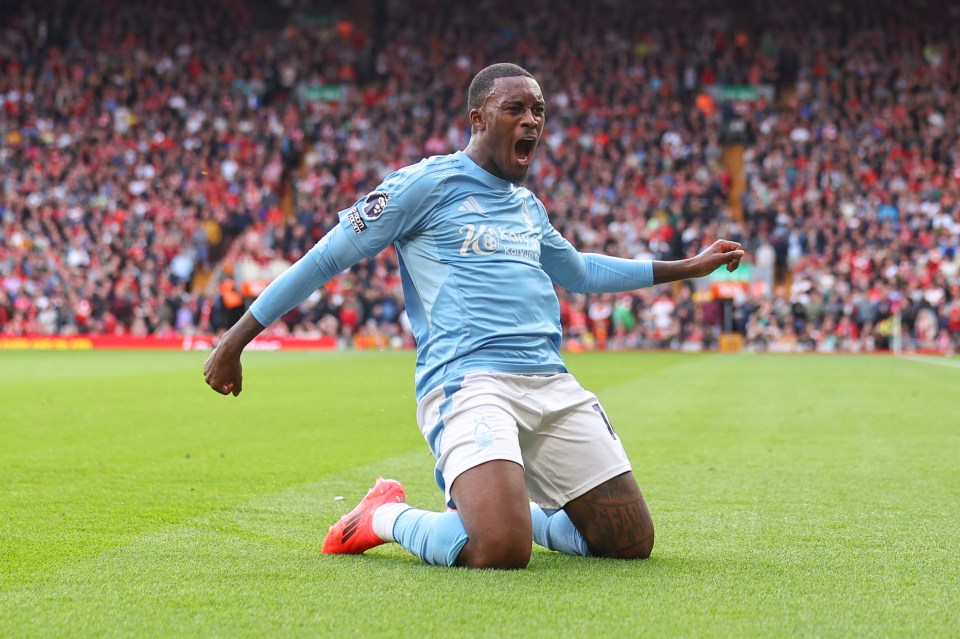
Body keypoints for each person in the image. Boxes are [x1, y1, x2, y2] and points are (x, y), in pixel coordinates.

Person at [203, 63, 744, 569]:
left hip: (549, 380)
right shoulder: (423, 185)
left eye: (538, 110)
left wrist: (689, 267)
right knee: (498, 549)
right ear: (478, 119)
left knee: (628, 543)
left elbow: (579, 271)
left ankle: (509, 511)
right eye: (516, 109)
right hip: (468, 381)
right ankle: (382, 516)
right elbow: (325, 258)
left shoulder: (526, 205)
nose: (531, 120)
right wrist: (236, 339)